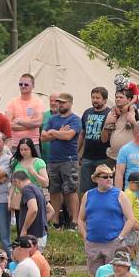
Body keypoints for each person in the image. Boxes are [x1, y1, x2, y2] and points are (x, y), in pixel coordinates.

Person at [78, 164, 135, 277]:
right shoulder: (88, 195)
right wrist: (85, 236)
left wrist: (120, 237)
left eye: (111, 176)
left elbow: (131, 219)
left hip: (113, 242)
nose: (109, 179)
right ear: (96, 179)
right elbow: (80, 219)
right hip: (93, 243)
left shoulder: (119, 195)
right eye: (105, 177)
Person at [41, 93, 81, 228]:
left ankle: (74, 220)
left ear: (70, 103)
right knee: (54, 190)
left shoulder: (75, 119)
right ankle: (55, 220)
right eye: (59, 102)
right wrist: (59, 132)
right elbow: (43, 137)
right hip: (53, 160)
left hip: (69, 159)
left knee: (71, 189)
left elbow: (69, 136)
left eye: (63, 102)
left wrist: (53, 132)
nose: (60, 105)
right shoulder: (53, 119)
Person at [78, 87, 111, 195]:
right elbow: (82, 134)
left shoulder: (109, 114)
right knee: (85, 190)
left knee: (104, 188)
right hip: (87, 158)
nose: (95, 100)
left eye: (98, 98)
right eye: (93, 97)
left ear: (105, 100)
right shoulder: (87, 112)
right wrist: (78, 153)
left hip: (104, 158)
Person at [101, 88, 139, 166]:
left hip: (132, 159)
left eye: (121, 97)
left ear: (129, 99)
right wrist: (106, 124)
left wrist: (133, 122)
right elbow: (104, 139)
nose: (118, 99)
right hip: (112, 159)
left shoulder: (138, 114)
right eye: (116, 97)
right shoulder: (111, 114)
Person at [6, 73, 44, 150]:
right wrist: (30, 125)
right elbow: (7, 125)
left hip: (33, 144)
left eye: (26, 84)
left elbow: (38, 123)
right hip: (15, 145)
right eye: (21, 84)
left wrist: (19, 121)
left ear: (33, 86)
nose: (23, 86)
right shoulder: (12, 102)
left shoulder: (38, 102)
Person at [12, 171, 47, 245]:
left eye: (15, 185)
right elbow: (51, 211)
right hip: (41, 235)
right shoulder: (37, 189)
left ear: (16, 181)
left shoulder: (27, 190)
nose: (16, 188)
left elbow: (33, 209)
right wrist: (41, 224)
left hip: (32, 237)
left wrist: (24, 229)